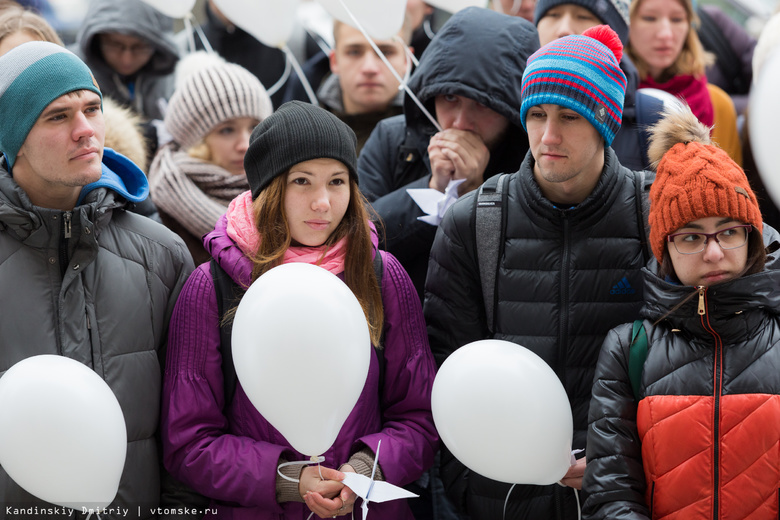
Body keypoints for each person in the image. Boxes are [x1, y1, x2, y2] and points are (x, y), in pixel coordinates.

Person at [160, 100, 438, 519]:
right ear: (269, 189)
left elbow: (419, 416)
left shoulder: (381, 275)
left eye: (338, 181)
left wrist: (365, 468)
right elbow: (188, 441)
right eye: (302, 181)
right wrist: (285, 480)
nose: (323, 201)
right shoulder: (212, 286)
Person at [424, 26, 653, 520]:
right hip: (502, 494)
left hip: (627, 494)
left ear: (605, 124)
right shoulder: (474, 222)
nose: (548, 136)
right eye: (537, 114)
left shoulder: (654, 213)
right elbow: (446, 368)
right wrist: (472, 481)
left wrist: (622, 462)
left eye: (569, 116)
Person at [0, 41, 194, 519]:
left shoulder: (162, 256)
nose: (85, 130)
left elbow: (189, 429)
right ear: (13, 136)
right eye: (57, 116)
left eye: (92, 108)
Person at [583, 105, 780, 520]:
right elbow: (611, 495)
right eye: (691, 236)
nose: (713, 251)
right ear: (665, 250)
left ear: (752, 239)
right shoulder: (629, 350)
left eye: (728, 231)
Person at [358, 7, 540, 300]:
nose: (460, 122)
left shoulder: (535, 162)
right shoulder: (392, 140)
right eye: (450, 98)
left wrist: (479, 194)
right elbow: (354, 243)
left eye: (482, 105)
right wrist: (433, 190)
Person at [148, 52, 273, 265]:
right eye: (226, 130)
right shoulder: (159, 218)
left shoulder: (287, 190)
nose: (245, 144)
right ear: (195, 141)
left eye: (254, 127)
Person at [534, 0, 662, 170]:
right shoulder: (503, 113)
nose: (564, 29)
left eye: (583, 16)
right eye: (553, 15)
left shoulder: (653, 120)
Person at [627, 0, 741, 164]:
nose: (665, 34)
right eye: (649, 18)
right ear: (626, 22)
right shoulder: (603, 93)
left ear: (689, 26)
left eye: (677, 19)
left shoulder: (720, 106)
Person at [314, 19, 412, 154]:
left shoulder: (433, 135)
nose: (369, 68)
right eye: (354, 52)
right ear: (334, 60)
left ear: (407, 60)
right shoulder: (303, 136)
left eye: (385, 52)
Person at [73, 0, 179, 122]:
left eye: (139, 47)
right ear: (97, 39)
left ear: (158, 46)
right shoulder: (74, 74)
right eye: (115, 44)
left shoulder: (172, 75)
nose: (126, 59)